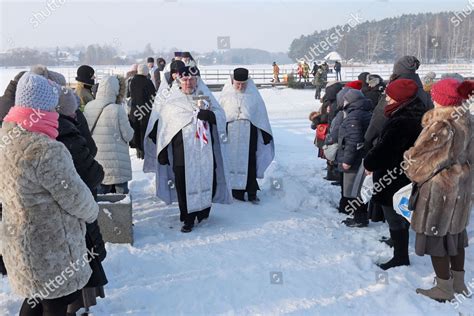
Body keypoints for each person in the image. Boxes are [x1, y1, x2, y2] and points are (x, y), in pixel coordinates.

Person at [0, 72, 98, 316]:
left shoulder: (6, 139)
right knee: (55, 303)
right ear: (47, 108)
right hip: (51, 249)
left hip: (19, 243)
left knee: (35, 299)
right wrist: (93, 211)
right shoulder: (46, 150)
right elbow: (76, 198)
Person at [404, 79, 473, 302]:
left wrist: (408, 157)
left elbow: (416, 166)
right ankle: (459, 283)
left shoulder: (441, 126)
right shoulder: (469, 120)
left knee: (436, 239)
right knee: (455, 235)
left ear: (440, 99)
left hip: (439, 192)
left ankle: (444, 288)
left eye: (434, 94)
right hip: (461, 190)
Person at [155, 66, 232, 233]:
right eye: (185, 80)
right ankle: (188, 217)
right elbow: (164, 127)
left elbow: (221, 115)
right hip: (181, 152)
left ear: (197, 80)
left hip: (204, 151)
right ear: (179, 81)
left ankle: (203, 210)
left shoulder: (205, 96)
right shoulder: (172, 102)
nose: (188, 82)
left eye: (191, 79)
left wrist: (210, 116)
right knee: (183, 184)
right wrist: (162, 152)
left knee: (205, 179)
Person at [53, 86, 108, 315]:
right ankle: (78, 307)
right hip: (75, 215)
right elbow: (89, 167)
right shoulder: (67, 132)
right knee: (80, 262)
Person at [364, 79, 427, 270]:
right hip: (404, 173)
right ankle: (396, 241)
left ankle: (400, 256)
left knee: (394, 215)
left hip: (393, 176)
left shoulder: (401, 121)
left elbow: (386, 150)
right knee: (400, 212)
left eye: (390, 95)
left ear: (400, 97)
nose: (387, 98)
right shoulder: (414, 111)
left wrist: (369, 162)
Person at [219, 68, 274, 203]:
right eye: (238, 84)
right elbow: (221, 116)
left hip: (250, 134)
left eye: (243, 84)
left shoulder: (253, 95)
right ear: (233, 82)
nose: (240, 86)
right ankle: (236, 191)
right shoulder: (226, 95)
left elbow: (261, 116)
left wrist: (265, 133)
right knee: (232, 162)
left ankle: (251, 191)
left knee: (250, 162)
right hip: (230, 135)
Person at [365, 56, 433, 151]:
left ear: (397, 70)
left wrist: (367, 141)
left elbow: (378, 119)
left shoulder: (394, 91)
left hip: (390, 147)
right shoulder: (424, 92)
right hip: (417, 146)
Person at [84, 75, 134, 194]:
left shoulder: (88, 107)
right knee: (122, 201)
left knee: (101, 199)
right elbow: (128, 135)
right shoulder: (117, 110)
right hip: (117, 163)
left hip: (97, 161)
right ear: (116, 90)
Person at [338, 89, 373, 227]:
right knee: (361, 188)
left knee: (356, 189)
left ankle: (359, 218)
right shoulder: (365, 112)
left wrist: (347, 160)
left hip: (357, 160)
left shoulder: (353, 116)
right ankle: (360, 216)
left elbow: (354, 140)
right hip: (364, 156)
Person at [311, 81, 343, 180]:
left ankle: (333, 172)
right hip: (328, 127)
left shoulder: (332, 100)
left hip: (329, 128)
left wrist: (317, 119)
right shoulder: (333, 98)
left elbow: (327, 115)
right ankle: (331, 169)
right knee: (329, 149)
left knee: (331, 149)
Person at [129, 64, 157, 159]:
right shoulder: (147, 82)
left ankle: (138, 150)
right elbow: (153, 96)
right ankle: (143, 151)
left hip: (134, 109)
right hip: (145, 110)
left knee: (136, 130)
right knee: (143, 131)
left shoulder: (132, 81)